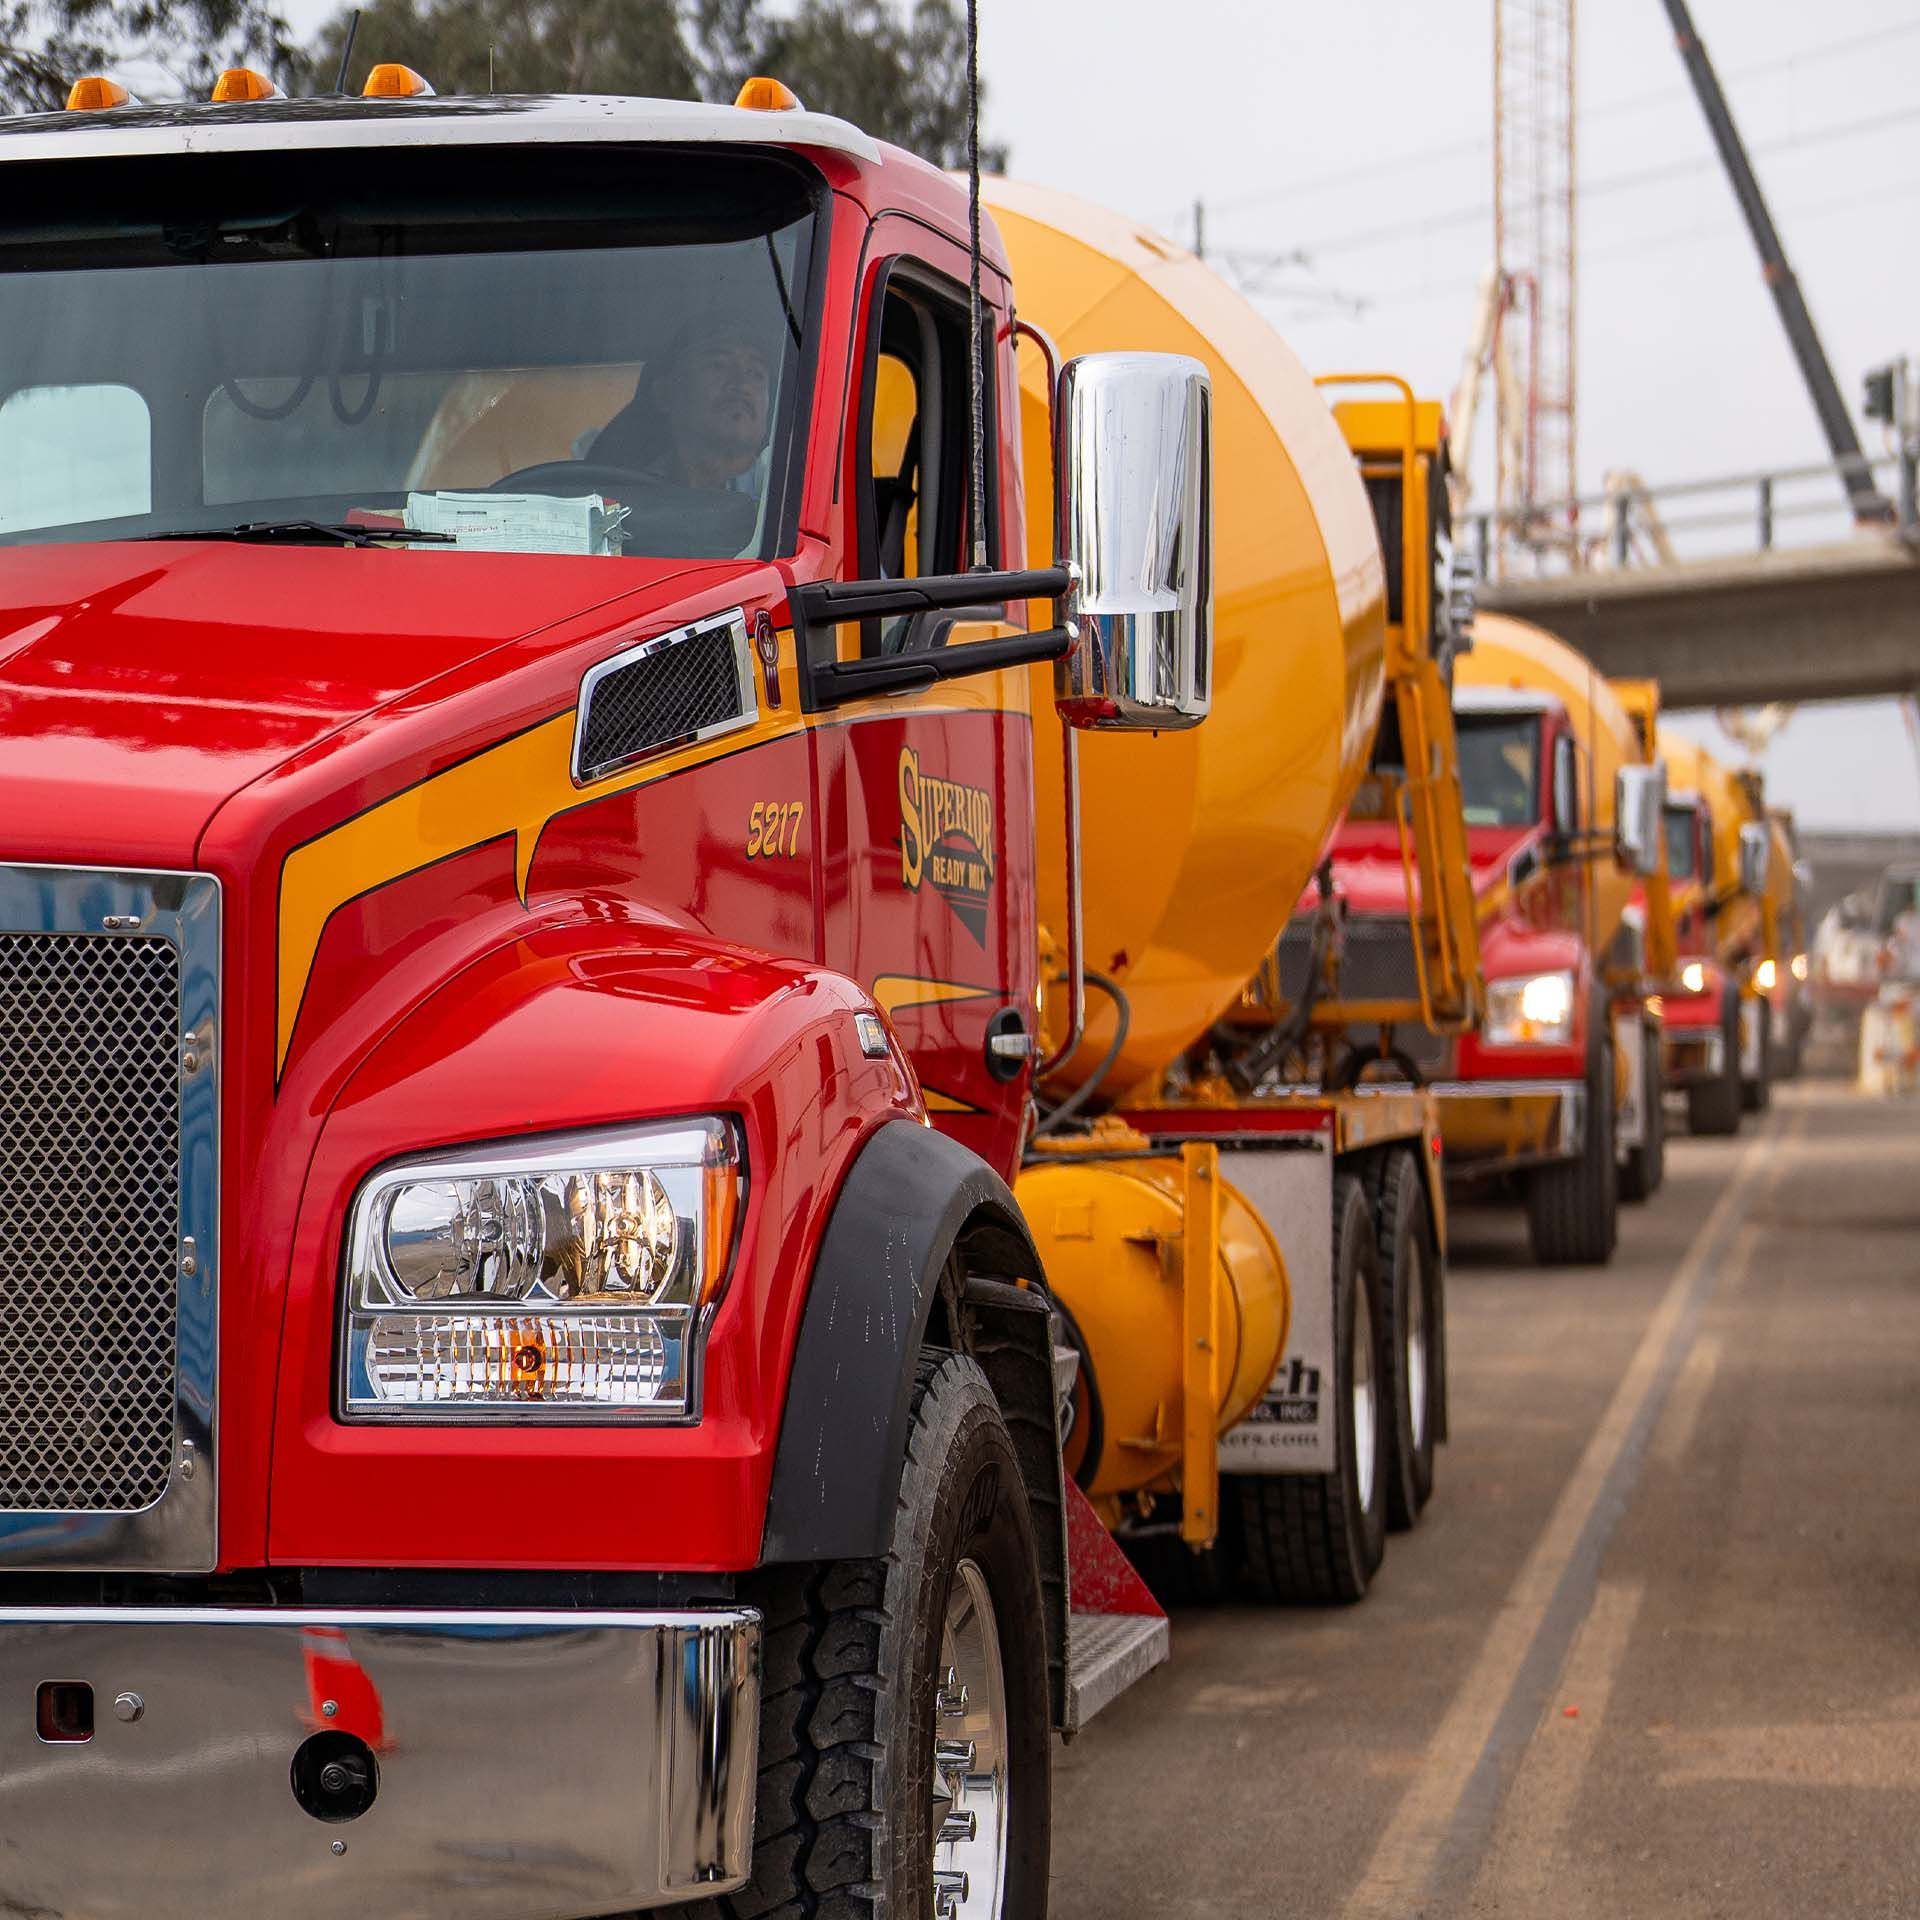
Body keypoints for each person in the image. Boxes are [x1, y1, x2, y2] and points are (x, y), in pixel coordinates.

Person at [592, 316, 774, 493]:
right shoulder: (623, 496)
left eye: (756, 373)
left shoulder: (787, 495)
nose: (741, 384)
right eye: (718, 365)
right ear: (665, 394)